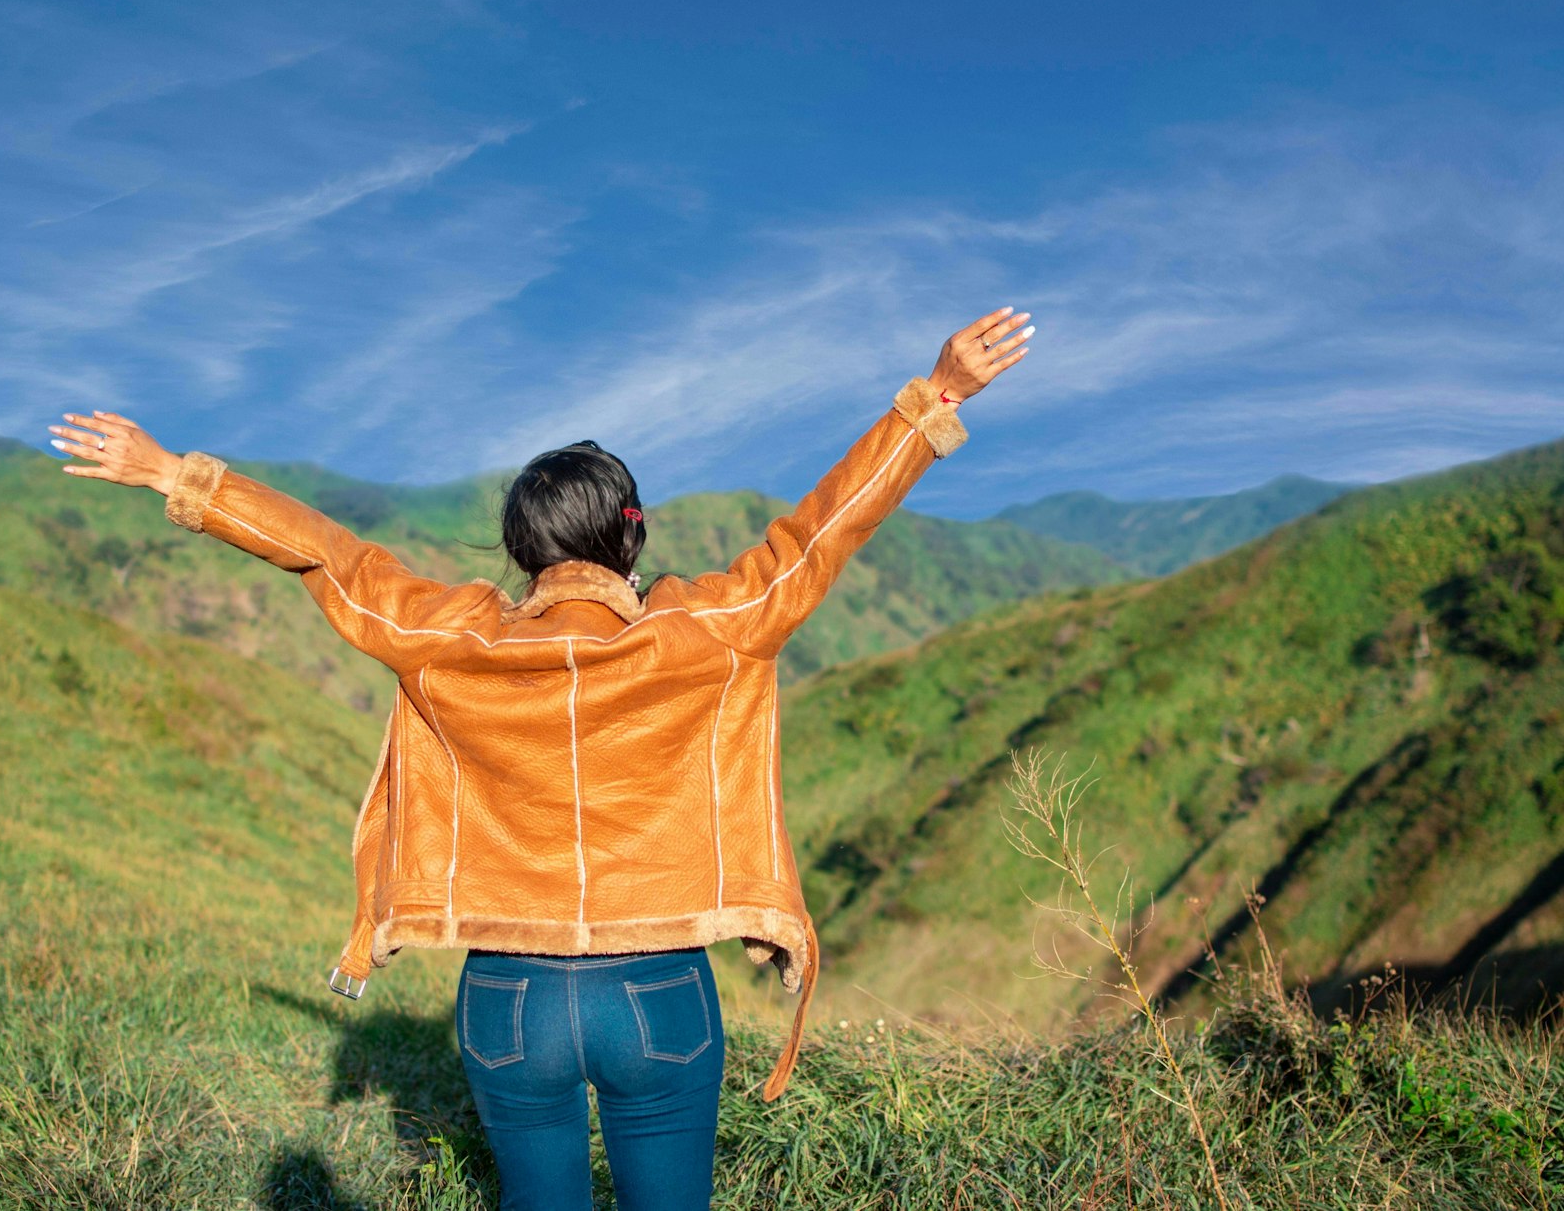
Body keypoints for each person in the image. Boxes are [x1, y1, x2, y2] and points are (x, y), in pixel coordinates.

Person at [50, 306, 1033, 1209]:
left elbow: (330, 556)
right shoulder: (710, 626)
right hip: (656, 989)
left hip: (507, 992)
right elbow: (819, 532)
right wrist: (935, 396)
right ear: (631, 533)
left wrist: (173, 473)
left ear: (520, 550)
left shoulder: (451, 634)